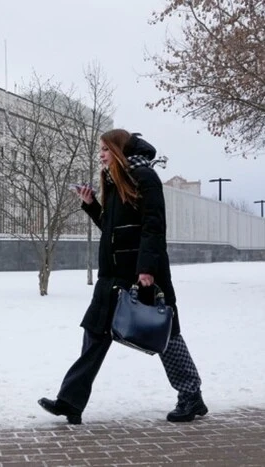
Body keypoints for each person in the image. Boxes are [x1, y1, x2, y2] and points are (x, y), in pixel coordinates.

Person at [38, 129, 207, 425]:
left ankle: (191, 395)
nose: (101, 154)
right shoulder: (115, 179)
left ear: (119, 149)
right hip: (112, 276)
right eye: (100, 150)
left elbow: (153, 226)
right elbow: (114, 228)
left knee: (164, 334)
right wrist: (91, 204)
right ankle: (70, 402)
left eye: (105, 148)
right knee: (94, 334)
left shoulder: (145, 177)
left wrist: (147, 269)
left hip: (141, 273)